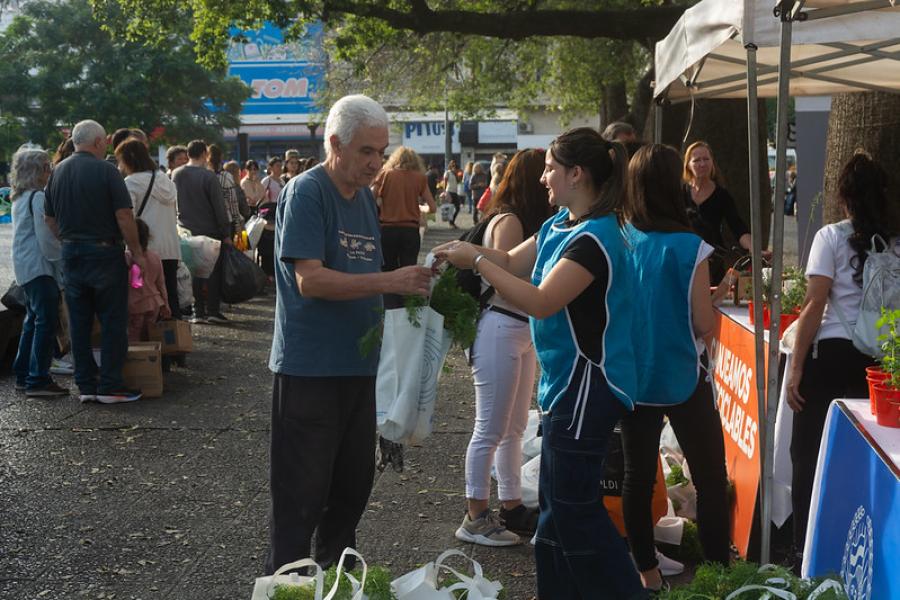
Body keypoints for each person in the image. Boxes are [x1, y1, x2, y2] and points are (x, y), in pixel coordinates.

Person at [434, 127, 645, 599]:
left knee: (574, 509)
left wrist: (478, 265)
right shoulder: (559, 225)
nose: (544, 178)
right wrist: (461, 254)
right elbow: (509, 259)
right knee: (556, 506)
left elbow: (542, 301)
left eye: (551, 169)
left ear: (577, 174)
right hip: (565, 386)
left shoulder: (597, 237)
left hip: (590, 386)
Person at [265, 94, 432, 574]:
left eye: (381, 152)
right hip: (310, 369)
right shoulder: (306, 191)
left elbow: (365, 274)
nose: (376, 163)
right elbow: (310, 280)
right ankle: (290, 584)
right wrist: (389, 281)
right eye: (366, 152)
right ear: (334, 143)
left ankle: (338, 579)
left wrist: (417, 288)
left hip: (359, 369)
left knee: (350, 491)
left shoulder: (363, 198)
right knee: (301, 497)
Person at [621, 144, 731, 591]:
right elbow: (703, 323)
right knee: (709, 477)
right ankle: (719, 575)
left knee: (637, 477)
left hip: (634, 379)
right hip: (684, 377)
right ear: (673, 184)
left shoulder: (622, 239)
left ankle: (645, 574)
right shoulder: (691, 247)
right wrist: (714, 299)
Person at [786, 152, 892, 563]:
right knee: (867, 457)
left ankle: (804, 548)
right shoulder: (895, 243)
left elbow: (814, 306)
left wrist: (795, 368)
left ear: (844, 197)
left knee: (809, 453)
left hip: (829, 354)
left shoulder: (829, 237)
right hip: (877, 362)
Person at [455, 149, 554, 547]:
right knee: (490, 429)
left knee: (513, 428)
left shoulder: (528, 222)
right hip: (500, 327)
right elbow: (504, 275)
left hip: (520, 329)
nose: (550, 179)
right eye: (545, 172)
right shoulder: (509, 221)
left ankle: (511, 506)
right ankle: (475, 515)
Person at [44, 119, 146, 404]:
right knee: (113, 320)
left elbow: (49, 218)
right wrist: (136, 251)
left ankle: (86, 384)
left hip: (72, 254)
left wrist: (67, 239)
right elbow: (124, 215)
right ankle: (111, 384)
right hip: (105, 253)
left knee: (78, 323)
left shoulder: (57, 172)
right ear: (99, 142)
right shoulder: (107, 171)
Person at [10, 146, 67, 397]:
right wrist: (63, 262)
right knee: (45, 321)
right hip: (41, 267)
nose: (50, 171)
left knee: (33, 320)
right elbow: (48, 242)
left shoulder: (21, 197)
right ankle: (38, 379)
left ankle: (24, 374)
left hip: (26, 267)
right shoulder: (38, 198)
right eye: (47, 167)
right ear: (38, 170)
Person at [117, 138, 182, 320]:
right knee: (169, 293)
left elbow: (128, 215)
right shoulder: (166, 180)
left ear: (129, 159)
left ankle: (149, 340)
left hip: (144, 251)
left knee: (143, 295)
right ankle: (174, 337)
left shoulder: (131, 182)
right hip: (170, 248)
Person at [172, 139, 232, 325]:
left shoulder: (176, 174)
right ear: (204, 154)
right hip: (210, 230)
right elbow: (219, 207)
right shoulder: (208, 176)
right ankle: (212, 310)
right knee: (212, 271)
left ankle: (197, 311)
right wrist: (226, 232)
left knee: (195, 271)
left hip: (186, 229)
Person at [682, 141, 754, 281]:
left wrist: (752, 248)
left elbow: (737, 225)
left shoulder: (722, 195)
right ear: (688, 165)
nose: (702, 164)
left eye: (706, 159)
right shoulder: (680, 192)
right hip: (684, 258)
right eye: (696, 160)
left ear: (712, 162)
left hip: (712, 260)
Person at [371, 146, 436, 276]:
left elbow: (370, 197)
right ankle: (407, 296)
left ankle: (389, 296)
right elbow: (432, 207)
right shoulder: (420, 178)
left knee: (388, 270)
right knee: (409, 271)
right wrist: (420, 208)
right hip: (410, 231)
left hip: (387, 230)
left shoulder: (385, 174)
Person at [126, 219, 171, 342]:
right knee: (149, 338)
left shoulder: (128, 257)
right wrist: (166, 304)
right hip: (155, 303)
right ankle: (151, 359)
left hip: (136, 304)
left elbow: (136, 284)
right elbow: (161, 284)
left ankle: (138, 361)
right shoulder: (155, 257)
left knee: (134, 338)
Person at [258, 157, 285, 280]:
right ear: (271, 167)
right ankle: (266, 272)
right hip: (268, 213)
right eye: (277, 166)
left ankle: (275, 271)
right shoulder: (266, 181)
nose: (280, 168)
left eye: (281, 165)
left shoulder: (282, 181)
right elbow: (260, 196)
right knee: (267, 244)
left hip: (279, 213)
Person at [208, 144, 243, 237]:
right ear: (221, 157)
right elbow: (233, 203)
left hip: (207, 222)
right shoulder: (226, 177)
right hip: (226, 222)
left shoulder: (204, 175)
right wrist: (238, 224)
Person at [443, 159, 462, 228]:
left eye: (456, 168)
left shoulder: (456, 174)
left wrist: (458, 176)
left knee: (457, 208)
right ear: (451, 167)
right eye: (454, 167)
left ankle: (452, 221)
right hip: (449, 191)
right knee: (450, 207)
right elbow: (445, 182)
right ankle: (451, 223)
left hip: (455, 192)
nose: (455, 169)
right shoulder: (447, 172)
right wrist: (444, 191)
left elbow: (458, 182)